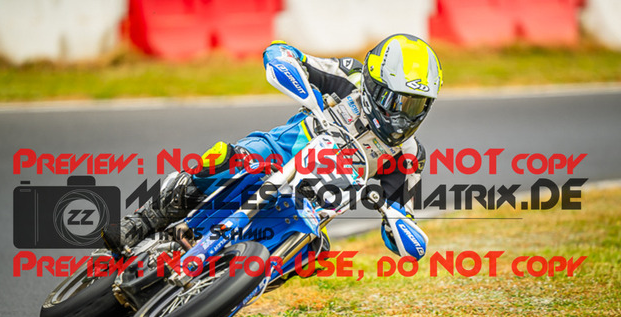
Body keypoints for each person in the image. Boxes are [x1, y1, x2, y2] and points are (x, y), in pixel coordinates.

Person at [102, 33, 442, 264]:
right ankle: (142, 221)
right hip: (278, 152)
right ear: (373, 83)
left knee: (314, 254)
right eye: (396, 100)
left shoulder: (410, 156)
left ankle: (220, 299)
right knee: (226, 158)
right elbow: (282, 53)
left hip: (313, 204)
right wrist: (297, 78)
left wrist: (398, 223)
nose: (402, 115)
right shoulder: (349, 77)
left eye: (415, 105)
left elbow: (400, 221)